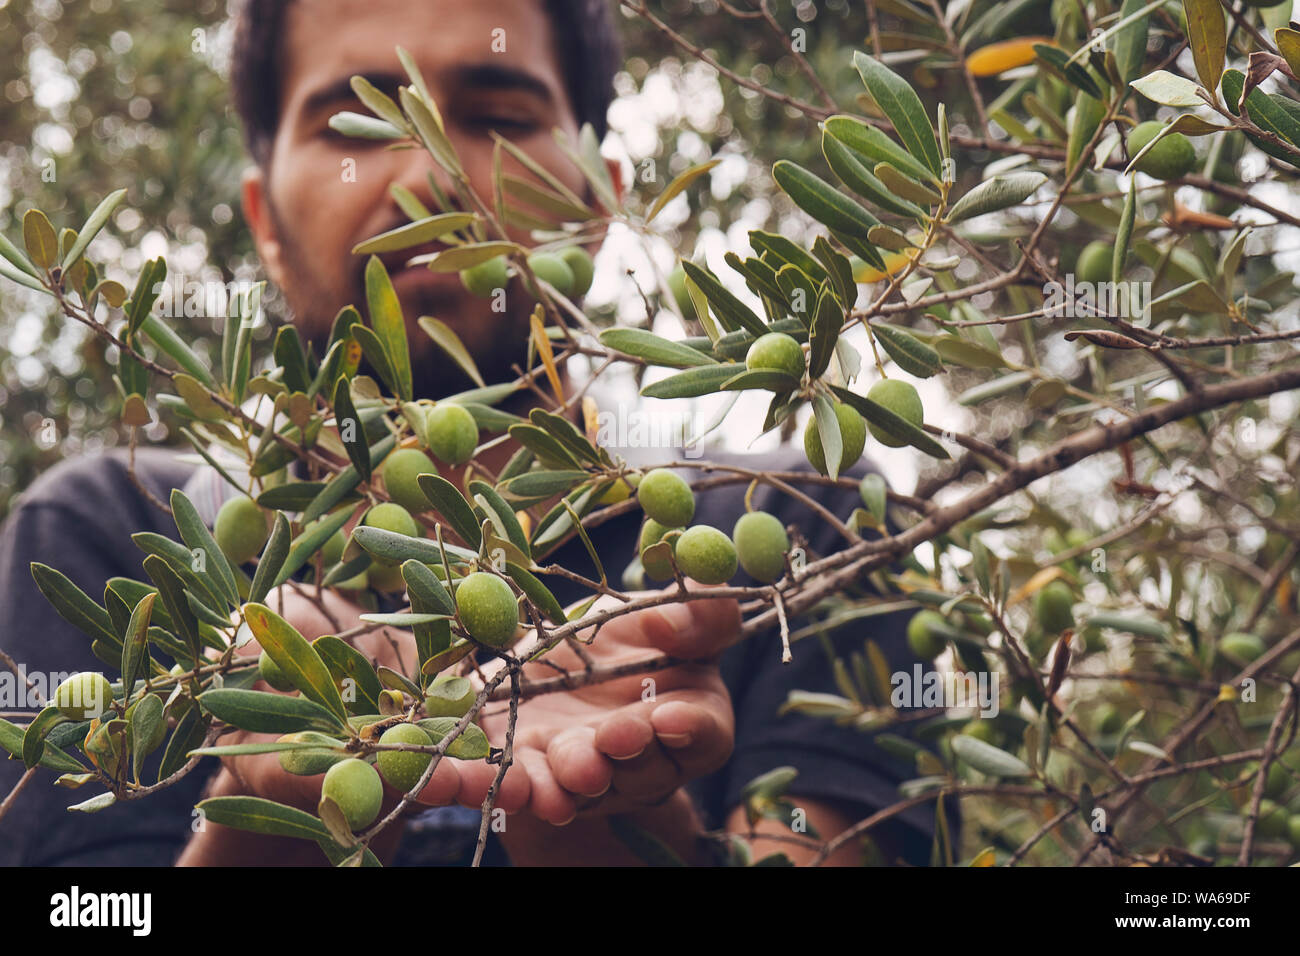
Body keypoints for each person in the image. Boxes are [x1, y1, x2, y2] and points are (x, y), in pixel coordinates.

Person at [0, 0, 937, 866]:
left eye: (498, 118)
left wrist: (601, 816)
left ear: (601, 200)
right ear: (264, 222)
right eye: (353, 125)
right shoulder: (121, 539)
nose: (428, 178)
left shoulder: (800, 526)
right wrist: (264, 820)